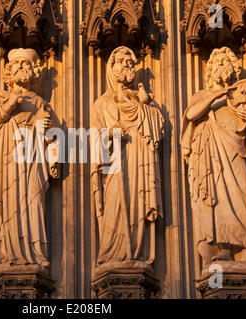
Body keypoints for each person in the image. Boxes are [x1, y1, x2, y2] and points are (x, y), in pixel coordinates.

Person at [181, 47, 246, 268]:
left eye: (226, 62)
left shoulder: (240, 97)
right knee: (216, 200)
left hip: (233, 152)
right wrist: (216, 95)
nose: (221, 66)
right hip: (210, 156)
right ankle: (223, 251)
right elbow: (192, 114)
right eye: (217, 63)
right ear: (209, 71)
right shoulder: (203, 95)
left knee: (243, 195)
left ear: (234, 69)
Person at [0, 48, 59, 276]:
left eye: (27, 65)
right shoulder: (0, 98)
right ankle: (8, 253)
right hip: (6, 159)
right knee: (6, 203)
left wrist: (44, 130)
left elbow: (55, 136)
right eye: (18, 65)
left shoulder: (40, 102)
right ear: (9, 71)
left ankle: (34, 253)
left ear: (33, 72)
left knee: (33, 200)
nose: (23, 69)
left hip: (32, 158)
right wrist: (8, 106)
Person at [90, 46, 164, 271]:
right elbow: (92, 137)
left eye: (130, 63)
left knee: (138, 205)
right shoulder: (103, 103)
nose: (126, 67)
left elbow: (156, 133)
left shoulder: (143, 101)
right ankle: (115, 253)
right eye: (121, 62)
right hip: (114, 165)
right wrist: (110, 134)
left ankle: (137, 252)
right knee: (115, 203)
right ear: (111, 68)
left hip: (139, 163)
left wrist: (145, 106)